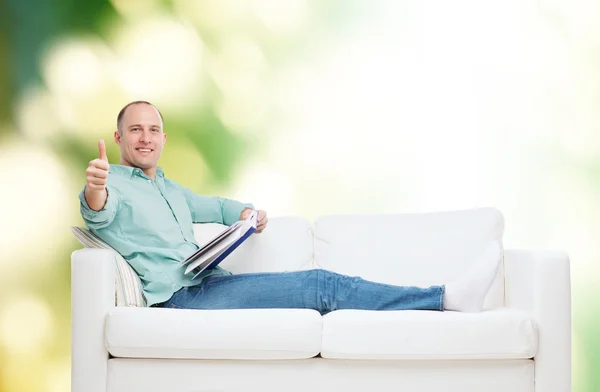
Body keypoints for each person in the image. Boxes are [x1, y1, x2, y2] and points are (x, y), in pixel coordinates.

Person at [80, 101, 501, 313]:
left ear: (164, 139)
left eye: (153, 129)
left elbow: (219, 206)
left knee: (319, 284)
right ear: (118, 139)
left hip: (210, 283)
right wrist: (96, 186)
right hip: (180, 299)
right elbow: (97, 210)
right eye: (135, 130)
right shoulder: (110, 182)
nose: (146, 138)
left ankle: (442, 297)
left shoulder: (171, 189)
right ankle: (444, 298)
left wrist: (247, 214)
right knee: (321, 285)